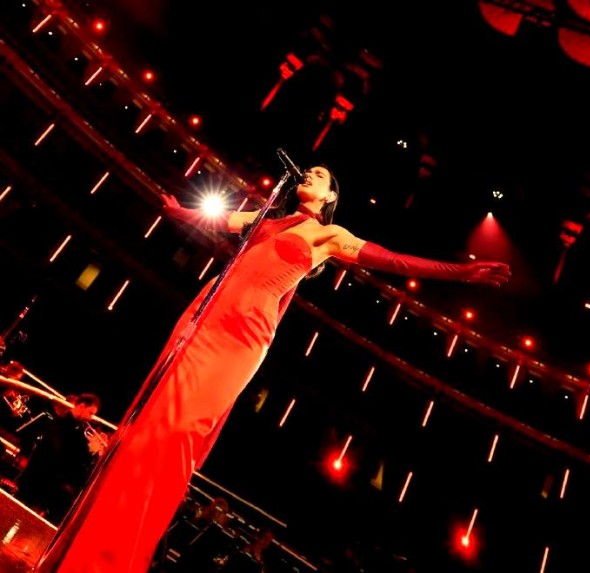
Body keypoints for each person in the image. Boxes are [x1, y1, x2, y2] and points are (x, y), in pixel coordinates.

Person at [47, 164, 510, 572]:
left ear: (330, 196)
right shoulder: (266, 217)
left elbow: (393, 259)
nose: (310, 174)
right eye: (309, 170)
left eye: (321, 175)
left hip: (243, 336)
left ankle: (115, 559)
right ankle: (87, 551)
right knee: (154, 425)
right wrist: (176, 211)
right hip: (206, 317)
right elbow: (212, 219)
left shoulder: (330, 235)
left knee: (182, 431)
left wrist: (459, 273)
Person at [14, 392, 102, 524]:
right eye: (90, 413)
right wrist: (93, 451)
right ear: (81, 406)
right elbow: (71, 460)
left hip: (38, 481)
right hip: (41, 482)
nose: (90, 418)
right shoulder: (67, 428)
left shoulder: (69, 427)